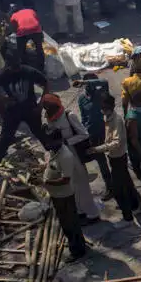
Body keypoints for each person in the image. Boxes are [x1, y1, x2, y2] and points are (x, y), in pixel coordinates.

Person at [41, 94, 102, 222]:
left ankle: (92, 213)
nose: (47, 109)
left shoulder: (69, 116)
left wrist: (67, 141)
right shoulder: (49, 118)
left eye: (49, 107)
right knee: (71, 185)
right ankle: (79, 211)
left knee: (82, 184)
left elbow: (84, 134)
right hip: (60, 153)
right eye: (45, 107)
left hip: (74, 153)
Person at [0, 52, 48, 167]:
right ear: (8, 65)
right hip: (13, 111)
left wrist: (41, 104)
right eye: (14, 67)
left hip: (30, 109)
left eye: (18, 65)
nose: (17, 69)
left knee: (40, 133)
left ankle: (55, 156)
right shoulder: (3, 75)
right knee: (5, 139)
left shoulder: (28, 71)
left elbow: (46, 83)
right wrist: (2, 99)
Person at [90, 93, 140, 223]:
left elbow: (116, 142)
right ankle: (135, 206)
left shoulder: (116, 120)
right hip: (114, 157)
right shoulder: (107, 117)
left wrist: (98, 149)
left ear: (109, 107)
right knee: (127, 183)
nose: (102, 109)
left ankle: (127, 217)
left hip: (118, 157)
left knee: (118, 189)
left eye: (104, 107)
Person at [42, 132, 90, 260]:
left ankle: (77, 251)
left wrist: (46, 182)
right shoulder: (55, 151)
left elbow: (65, 179)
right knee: (67, 222)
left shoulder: (66, 156)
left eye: (50, 142)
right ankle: (79, 245)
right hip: (57, 195)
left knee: (69, 223)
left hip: (64, 195)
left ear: (58, 141)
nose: (47, 144)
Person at [75, 74, 114, 198]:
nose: (90, 87)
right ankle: (86, 188)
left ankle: (111, 187)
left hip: (103, 131)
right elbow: (83, 117)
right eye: (88, 85)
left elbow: (105, 81)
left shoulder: (101, 93)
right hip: (90, 133)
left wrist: (84, 81)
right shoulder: (81, 99)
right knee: (88, 159)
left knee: (105, 160)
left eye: (91, 84)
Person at [8, 5, 44, 71]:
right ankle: (41, 67)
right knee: (39, 49)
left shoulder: (13, 15)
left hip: (22, 30)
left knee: (21, 51)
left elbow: (14, 29)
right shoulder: (31, 10)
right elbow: (37, 21)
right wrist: (41, 35)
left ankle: (25, 67)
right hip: (36, 29)